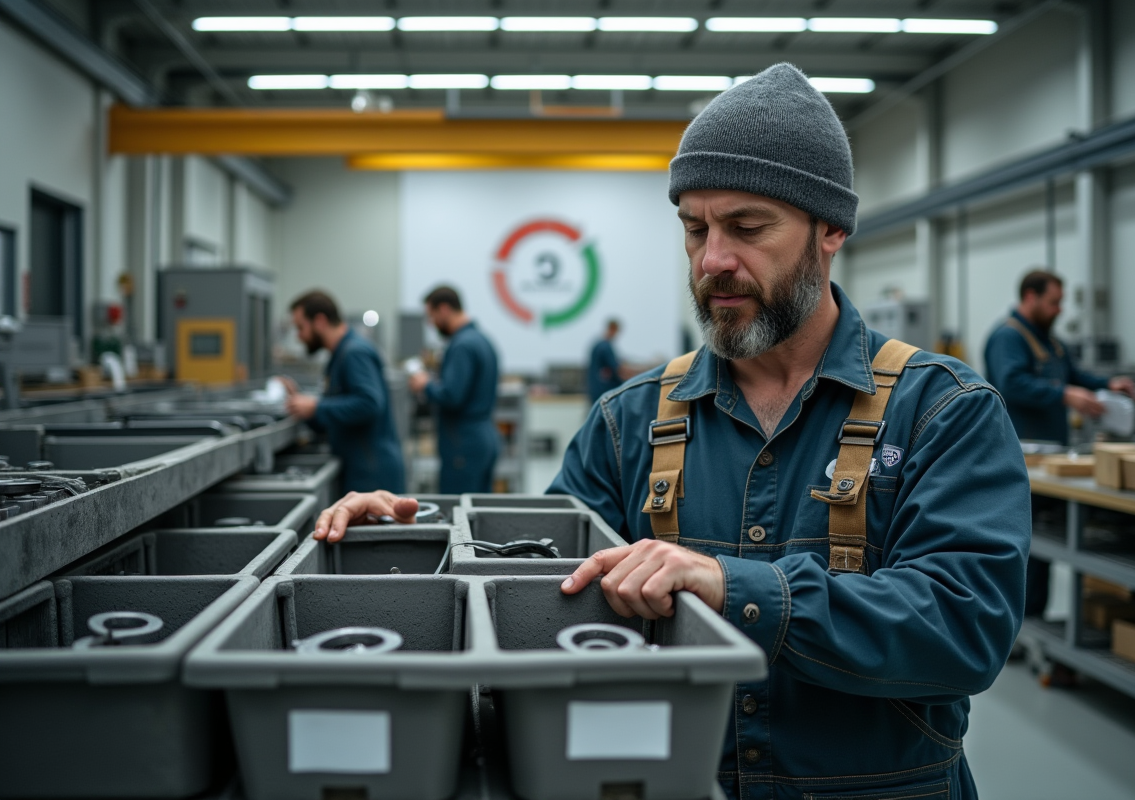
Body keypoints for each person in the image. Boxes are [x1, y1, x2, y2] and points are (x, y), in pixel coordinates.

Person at [312, 64, 1028, 800]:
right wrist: (412, 538)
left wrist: (737, 588)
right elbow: (544, 575)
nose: (713, 259)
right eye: (695, 229)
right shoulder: (630, 422)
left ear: (830, 230)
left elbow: (963, 625)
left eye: (747, 227)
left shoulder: (942, 411)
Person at [984, 270, 1135, 621]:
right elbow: (1012, 382)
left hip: (1052, 463)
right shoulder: (1008, 338)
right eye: (1054, 302)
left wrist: (1107, 384)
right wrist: (1064, 394)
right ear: (1030, 298)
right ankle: (1017, 624)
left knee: (1044, 547)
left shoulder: (1051, 342)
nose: (1059, 310)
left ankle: (1035, 618)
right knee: (1024, 548)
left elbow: (1075, 374)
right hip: (1020, 461)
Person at [283, 291, 404, 494]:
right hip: (361, 467)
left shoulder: (354, 353)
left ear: (320, 321)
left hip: (371, 474)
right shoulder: (339, 356)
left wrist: (316, 406)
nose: (299, 336)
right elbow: (335, 416)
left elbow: (369, 404)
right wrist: (306, 409)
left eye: (301, 327)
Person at [407, 286, 500, 493]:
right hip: (482, 438)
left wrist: (425, 384)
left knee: (458, 510)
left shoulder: (462, 346)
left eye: (432, 317)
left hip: (463, 443)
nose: (432, 324)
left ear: (444, 309)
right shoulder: (482, 340)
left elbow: (452, 395)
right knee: (477, 511)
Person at [587, 318, 624, 402]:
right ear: (613, 329)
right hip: (603, 391)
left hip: (595, 389)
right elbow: (617, 369)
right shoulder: (605, 347)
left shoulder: (598, 345)